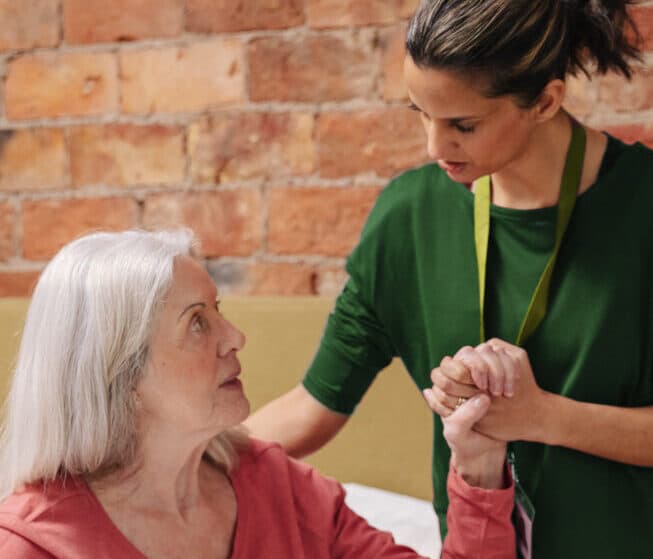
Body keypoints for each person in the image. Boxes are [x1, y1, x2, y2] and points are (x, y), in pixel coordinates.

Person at [244, 1, 653, 557]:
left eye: (463, 125)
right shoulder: (408, 217)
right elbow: (314, 406)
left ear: (545, 101)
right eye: (420, 113)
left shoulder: (643, 207)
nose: (434, 147)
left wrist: (542, 417)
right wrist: (160, 462)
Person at [0, 229, 515, 558]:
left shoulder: (276, 486)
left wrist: (479, 464)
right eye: (197, 323)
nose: (235, 337)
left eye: (217, 310)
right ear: (121, 378)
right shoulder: (33, 546)